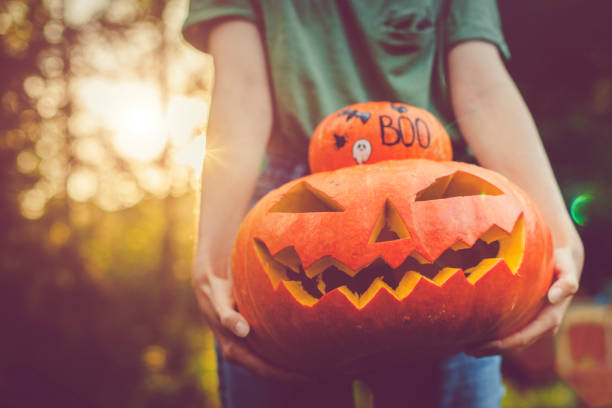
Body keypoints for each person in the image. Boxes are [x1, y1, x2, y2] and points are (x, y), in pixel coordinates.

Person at [182, 1, 584, 407]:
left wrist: (558, 235)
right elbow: (242, 89)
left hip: (443, 199)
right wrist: (213, 259)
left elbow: (482, 88)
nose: (387, 230)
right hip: (289, 207)